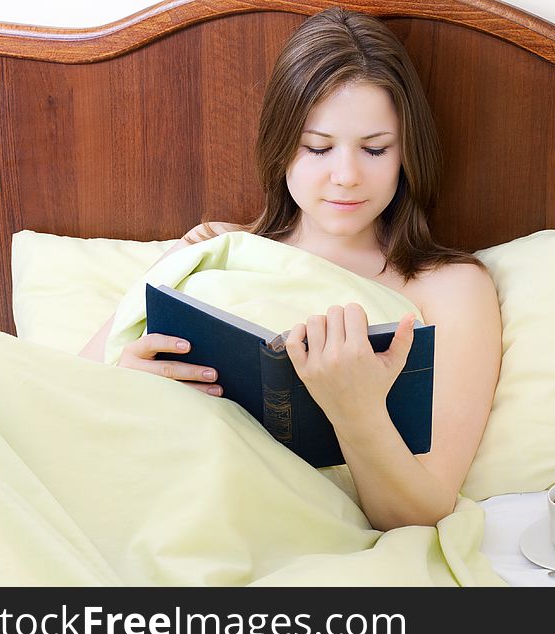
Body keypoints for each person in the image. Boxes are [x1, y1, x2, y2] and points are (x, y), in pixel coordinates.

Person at [79, 8, 501, 531]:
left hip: (272, 527)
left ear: (406, 154)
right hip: (144, 497)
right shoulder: (213, 249)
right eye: (318, 147)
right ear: (281, 149)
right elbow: (60, 399)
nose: (345, 176)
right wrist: (126, 384)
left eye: (374, 149)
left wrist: (356, 411)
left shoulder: (451, 289)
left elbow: (422, 511)